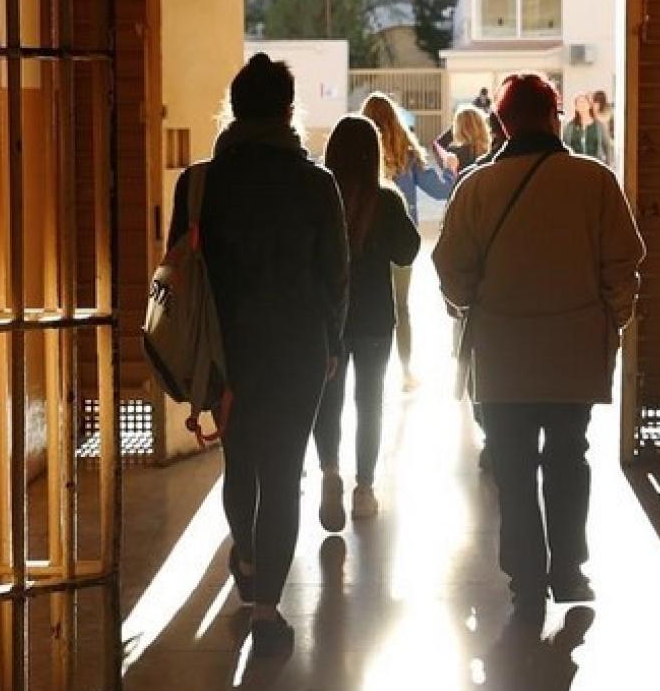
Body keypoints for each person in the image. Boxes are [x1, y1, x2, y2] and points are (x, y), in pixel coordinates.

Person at [433, 72, 645, 621]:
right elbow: (624, 265)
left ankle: (526, 577)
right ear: (555, 116)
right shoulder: (594, 180)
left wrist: (472, 309)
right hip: (574, 350)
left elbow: (451, 270)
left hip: (501, 355)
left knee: (514, 465)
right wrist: (610, 322)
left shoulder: (477, 188)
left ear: (502, 123)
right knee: (569, 456)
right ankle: (569, 568)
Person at [168, 53, 348, 655]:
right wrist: (330, 346)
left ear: (234, 106)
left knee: (240, 465)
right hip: (299, 351)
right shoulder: (316, 183)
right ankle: (268, 610)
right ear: (288, 110)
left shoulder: (199, 183)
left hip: (225, 352)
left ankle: (245, 558)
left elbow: (177, 273)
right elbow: (335, 277)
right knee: (283, 475)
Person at [314, 114, 421, 529]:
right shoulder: (387, 201)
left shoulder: (320, 197)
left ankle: (328, 472)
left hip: (329, 320)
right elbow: (408, 252)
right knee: (370, 402)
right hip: (376, 319)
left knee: (329, 399)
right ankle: (363, 489)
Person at [360, 91, 454, 390]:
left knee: (361, 302)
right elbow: (438, 191)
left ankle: (365, 369)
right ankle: (405, 371)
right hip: (401, 241)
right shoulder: (407, 151)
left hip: (363, 239)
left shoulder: (357, 149)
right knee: (401, 307)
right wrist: (451, 172)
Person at [434, 105, 494, 189]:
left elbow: (438, 145)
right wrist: (474, 122)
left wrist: (460, 124)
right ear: (482, 125)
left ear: (458, 128)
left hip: (464, 199)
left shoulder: (454, 154)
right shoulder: (493, 151)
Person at [562, 93, 610, 164]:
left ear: (589, 105)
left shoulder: (599, 126)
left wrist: (607, 164)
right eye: (579, 103)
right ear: (576, 108)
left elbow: (606, 147)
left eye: (584, 102)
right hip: (575, 166)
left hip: (596, 166)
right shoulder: (569, 127)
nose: (582, 105)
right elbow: (565, 146)